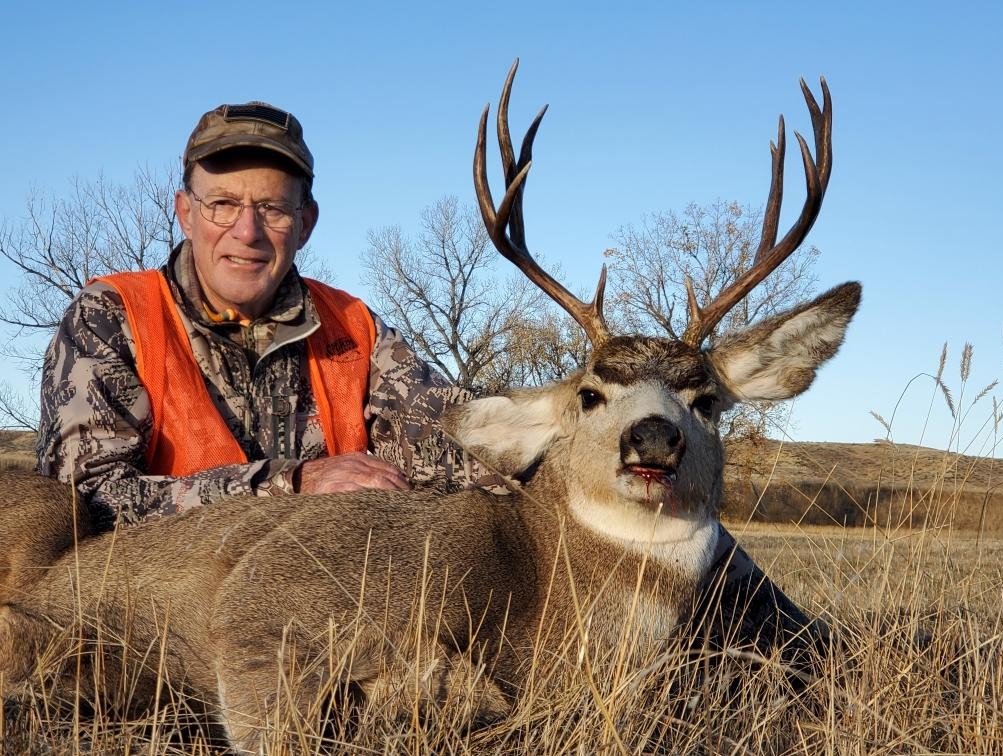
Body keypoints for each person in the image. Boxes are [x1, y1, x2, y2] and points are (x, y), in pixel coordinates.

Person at [36, 101, 822, 666]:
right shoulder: (113, 317)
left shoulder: (356, 330)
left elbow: (466, 445)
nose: (246, 230)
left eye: (272, 208)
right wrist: (290, 483)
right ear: (184, 211)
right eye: (223, 204)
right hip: (148, 610)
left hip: (323, 623)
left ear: (306, 222)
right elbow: (85, 502)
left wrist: (645, 474)